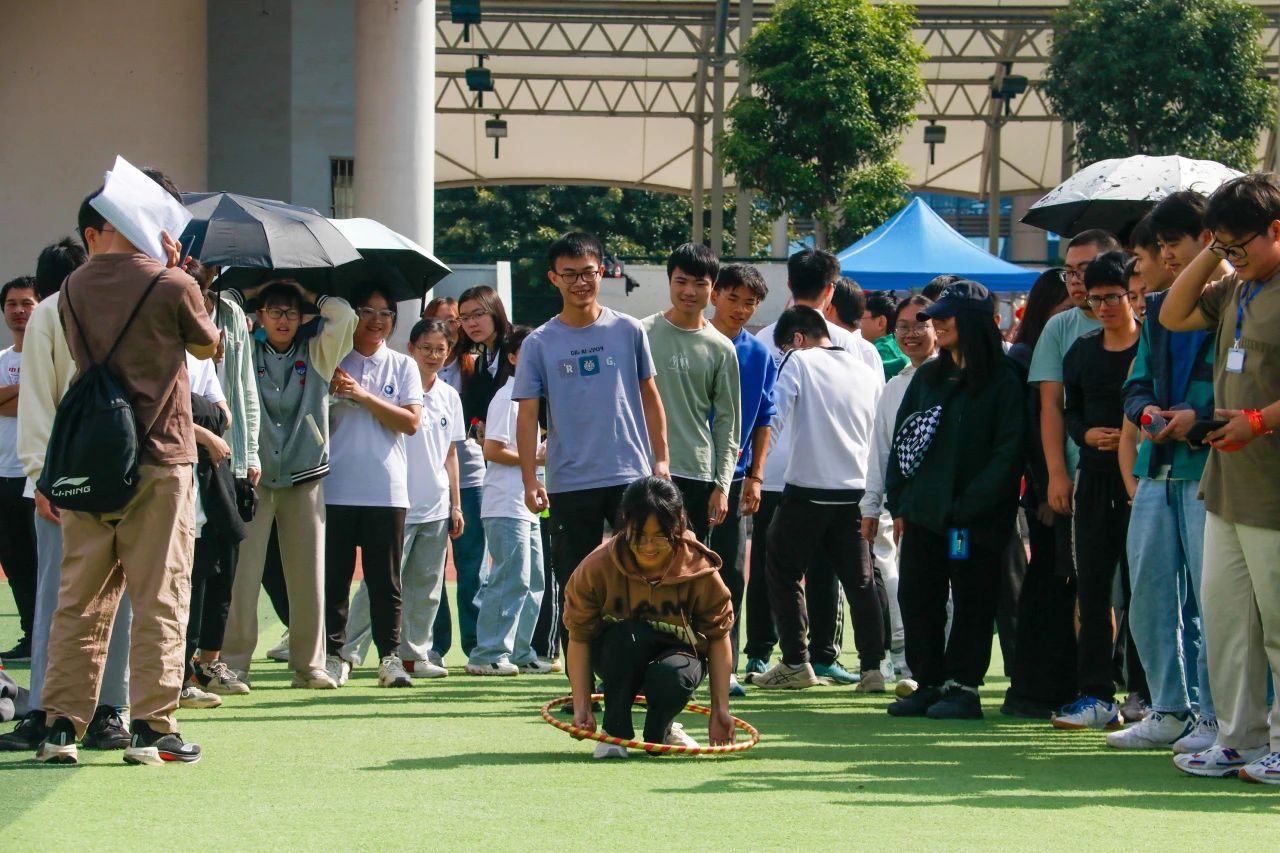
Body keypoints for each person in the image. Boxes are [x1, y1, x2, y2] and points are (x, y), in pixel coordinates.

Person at [36, 179, 220, 765]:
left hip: (90, 456)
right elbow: (208, 346)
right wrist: (180, 276)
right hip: (160, 454)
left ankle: (60, 727)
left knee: (80, 598)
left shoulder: (71, 285)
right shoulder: (171, 283)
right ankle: (151, 727)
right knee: (160, 593)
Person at [1159, 172, 1280, 783]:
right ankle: (1239, 738)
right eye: (1223, 244)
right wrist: (1214, 250)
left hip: (1273, 485)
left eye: (1240, 244)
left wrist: (1258, 421)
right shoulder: (1235, 286)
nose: (1233, 256)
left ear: (1277, 229)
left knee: (1278, 622)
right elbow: (1172, 313)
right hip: (1228, 481)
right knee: (1227, 619)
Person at [3, 234, 133, 754]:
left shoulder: (77, 309)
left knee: (59, 600)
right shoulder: (75, 310)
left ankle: (52, 710)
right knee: (108, 596)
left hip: (67, 478)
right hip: (110, 475)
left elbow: (34, 402)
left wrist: (41, 477)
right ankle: (102, 710)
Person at [513, 232, 669, 659]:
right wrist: (530, 479)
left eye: (588, 273)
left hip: (630, 476)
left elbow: (650, 396)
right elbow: (527, 416)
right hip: (569, 482)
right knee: (577, 586)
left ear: (602, 272)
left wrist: (661, 459)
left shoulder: (628, 329)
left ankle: (638, 674)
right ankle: (581, 684)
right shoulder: (538, 343)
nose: (580, 282)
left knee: (641, 578)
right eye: (569, 275)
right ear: (553, 278)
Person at [1110, 190, 1228, 752]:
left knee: (1215, 601)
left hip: (1214, 468)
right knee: (1150, 595)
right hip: (1156, 470)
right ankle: (1168, 707)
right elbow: (1134, 385)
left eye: (1172, 242)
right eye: (1159, 245)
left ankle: (1215, 715)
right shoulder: (1158, 309)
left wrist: (1196, 421)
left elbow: (1249, 389)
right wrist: (1147, 413)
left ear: (1210, 238)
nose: (1165, 254)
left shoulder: (1239, 299)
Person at [885, 281, 1027, 720]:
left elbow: (1009, 451)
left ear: (973, 321)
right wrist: (901, 500)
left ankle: (963, 687)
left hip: (973, 520)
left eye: (946, 317)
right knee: (917, 595)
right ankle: (928, 682)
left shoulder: (1004, 379)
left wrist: (970, 504)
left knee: (972, 600)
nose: (936, 324)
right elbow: (904, 439)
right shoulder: (928, 376)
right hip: (925, 514)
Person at [751, 249, 885, 686]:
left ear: (797, 339)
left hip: (806, 488)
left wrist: (754, 470)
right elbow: (879, 429)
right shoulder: (864, 364)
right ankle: (873, 667)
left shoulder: (798, 359)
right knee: (859, 581)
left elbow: (774, 418)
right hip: (855, 490)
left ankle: (796, 660)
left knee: (781, 570)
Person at [220, 279, 358, 690]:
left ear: (303, 318)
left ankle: (309, 665)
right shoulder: (244, 349)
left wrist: (309, 293)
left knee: (308, 575)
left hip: (305, 474)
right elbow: (220, 309)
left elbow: (345, 316)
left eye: (291, 313)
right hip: (253, 475)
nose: (284, 320)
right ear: (260, 316)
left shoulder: (316, 352)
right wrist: (253, 290)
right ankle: (233, 664)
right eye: (275, 311)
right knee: (244, 575)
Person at [562, 476, 734, 758]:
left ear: (679, 525)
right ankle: (614, 731)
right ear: (624, 524)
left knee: (672, 675)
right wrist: (582, 705)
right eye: (639, 536)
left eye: (660, 536)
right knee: (627, 638)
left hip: (677, 660)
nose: (649, 547)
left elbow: (718, 637)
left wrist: (720, 710)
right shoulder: (597, 567)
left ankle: (661, 730)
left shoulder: (700, 569)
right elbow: (579, 636)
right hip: (617, 655)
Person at [1051, 251, 1143, 730]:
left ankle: (1145, 693)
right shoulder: (1081, 351)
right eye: (1094, 299)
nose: (1103, 307)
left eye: (1112, 297)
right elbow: (1070, 411)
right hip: (1093, 477)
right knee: (1091, 589)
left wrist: (1130, 437)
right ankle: (1095, 694)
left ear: (1131, 296)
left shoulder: (1150, 346)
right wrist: (1085, 434)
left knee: (1144, 588)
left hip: (1142, 481)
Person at [344, 318, 463, 680]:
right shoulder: (395, 387)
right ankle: (346, 650)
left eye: (440, 349)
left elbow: (451, 454)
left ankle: (415, 654)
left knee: (427, 588)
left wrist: (456, 504)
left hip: (436, 505)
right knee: (379, 584)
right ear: (410, 348)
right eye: (425, 347)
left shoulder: (449, 395)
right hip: (397, 502)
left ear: (449, 353)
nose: (433, 355)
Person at [324, 283, 424, 688]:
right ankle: (333, 656)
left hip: (386, 489)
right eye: (367, 311)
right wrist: (331, 392)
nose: (377, 321)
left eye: (386, 314)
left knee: (386, 582)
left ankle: (389, 658)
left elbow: (411, 422)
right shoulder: (330, 359)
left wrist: (362, 395)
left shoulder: (403, 365)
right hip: (334, 487)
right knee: (333, 579)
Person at [1001, 268, 1079, 719]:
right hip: (1049, 491)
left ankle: (1054, 685)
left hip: (1060, 485)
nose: (1073, 313)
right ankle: (1038, 688)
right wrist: (1047, 486)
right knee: (1049, 587)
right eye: (1063, 307)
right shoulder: (1026, 358)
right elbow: (1030, 432)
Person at [861, 295, 938, 682]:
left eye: (920, 325)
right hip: (907, 509)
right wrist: (871, 506)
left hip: (948, 508)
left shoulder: (954, 379)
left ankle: (945, 675)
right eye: (903, 327)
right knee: (911, 589)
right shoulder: (894, 387)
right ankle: (914, 669)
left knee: (948, 593)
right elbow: (880, 451)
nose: (911, 334)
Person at [707, 263, 775, 697]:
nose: (741, 308)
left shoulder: (758, 354)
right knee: (674, 568)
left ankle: (724, 666)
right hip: (683, 473)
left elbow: (766, 417)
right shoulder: (691, 340)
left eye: (750, 302)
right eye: (733, 298)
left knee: (731, 571)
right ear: (715, 295)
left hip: (732, 478)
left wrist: (756, 476)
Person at [641, 243, 740, 540]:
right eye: (681, 281)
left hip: (697, 472)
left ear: (713, 288)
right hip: (644, 467)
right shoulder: (641, 333)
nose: (689, 291)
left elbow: (728, 421)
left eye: (699, 283)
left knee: (692, 561)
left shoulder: (722, 348)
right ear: (669, 281)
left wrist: (722, 485)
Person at [468, 326, 551, 676]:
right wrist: (535, 458)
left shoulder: (527, 398)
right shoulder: (506, 398)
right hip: (505, 503)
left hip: (525, 503)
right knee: (509, 577)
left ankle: (520, 652)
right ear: (514, 358)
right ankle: (487, 653)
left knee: (534, 580)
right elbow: (492, 449)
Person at [436, 286, 513, 660]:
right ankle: (437, 645)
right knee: (432, 568)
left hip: (485, 474)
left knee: (484, 567)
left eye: (467, 317)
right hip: (440, 475)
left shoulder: (491, 358)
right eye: (462, 318)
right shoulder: (415, 367)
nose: (463, 325)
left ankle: (491, 645)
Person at [0, 276, 38, 662]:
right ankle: (30, 636)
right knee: (16, 564)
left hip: (37, 478)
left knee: (46, 564)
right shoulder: (1, 359)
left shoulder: (48, 359)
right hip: (3, 477)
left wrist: (8, 398)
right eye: (12, 304)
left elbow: (46, 402)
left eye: (26, 303)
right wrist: (26, 392)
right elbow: (31, 401)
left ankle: (51, 639)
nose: (19, 310)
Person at [860, 290, 910, 380]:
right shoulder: (898, 344)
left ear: (881, 322)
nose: (857, 323)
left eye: (860, 317)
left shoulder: (879, 350)